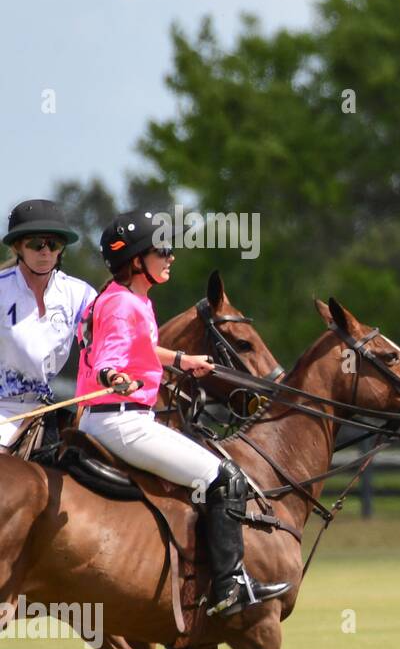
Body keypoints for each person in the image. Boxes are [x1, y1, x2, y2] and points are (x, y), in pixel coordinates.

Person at [75, 210, 290, 618]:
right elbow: (110, 355)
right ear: (137, 260)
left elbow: (138, 346)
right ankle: (229, 586)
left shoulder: (124, 298)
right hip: (122, 421)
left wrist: (181, 359)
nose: (171, 256)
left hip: (104, 419)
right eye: (163, 249)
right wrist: (113, 374)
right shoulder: (124, 304)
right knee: (225, 479)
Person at [0, 200, 96, 452]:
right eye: (36, 244)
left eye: (53, 244)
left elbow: (101, 348)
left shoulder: (80, 295)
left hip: (44, 411)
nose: (46, 252)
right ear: (18, 246)